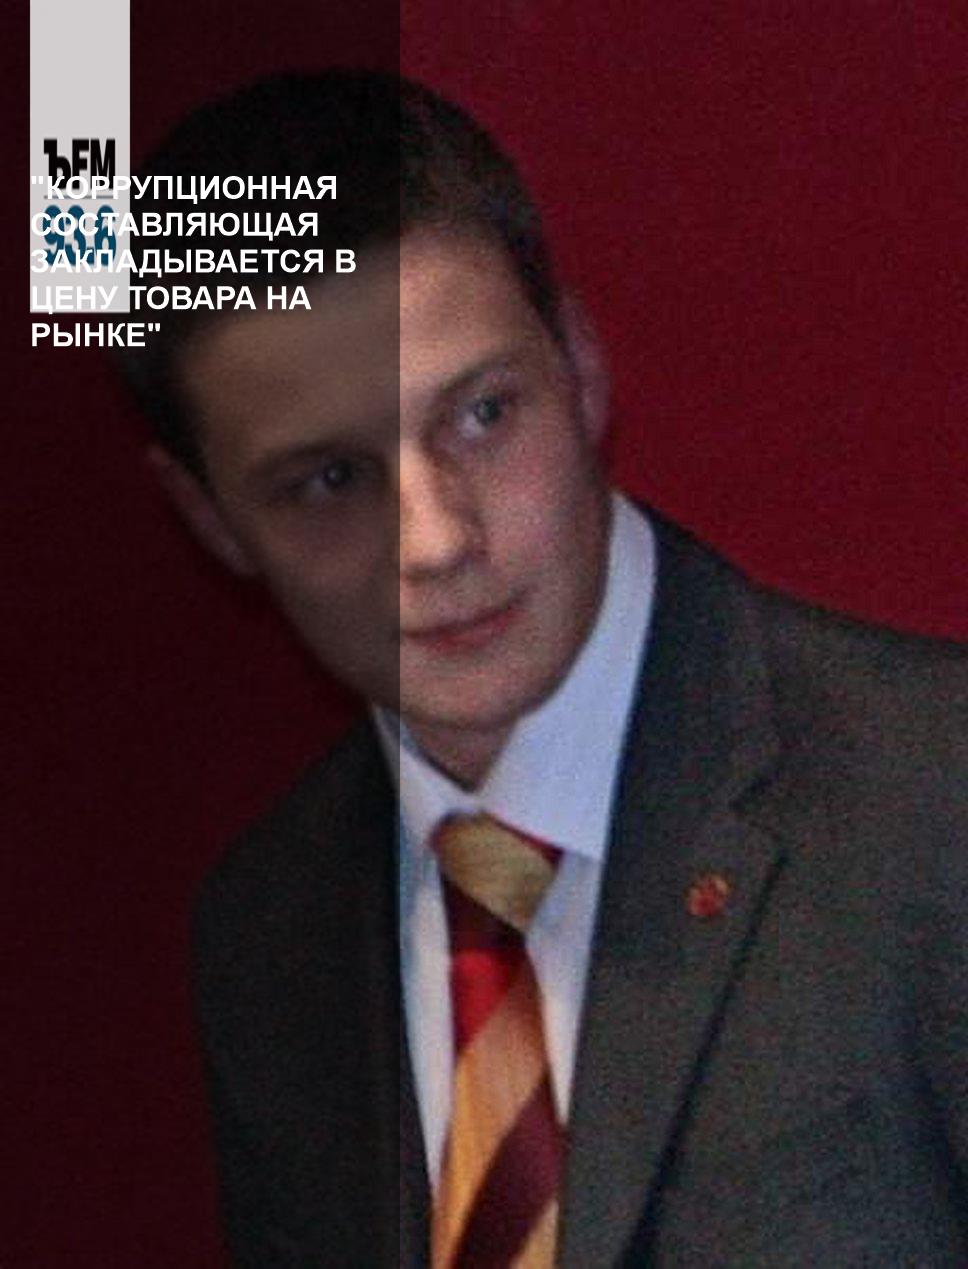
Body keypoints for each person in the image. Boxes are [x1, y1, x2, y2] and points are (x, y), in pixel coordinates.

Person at [121, 71, 968, 1266]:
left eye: (480, 416)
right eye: (330, 481)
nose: (437, 541)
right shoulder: (270, 928)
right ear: (210, 518)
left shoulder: (931, 803)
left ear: (577, 364)